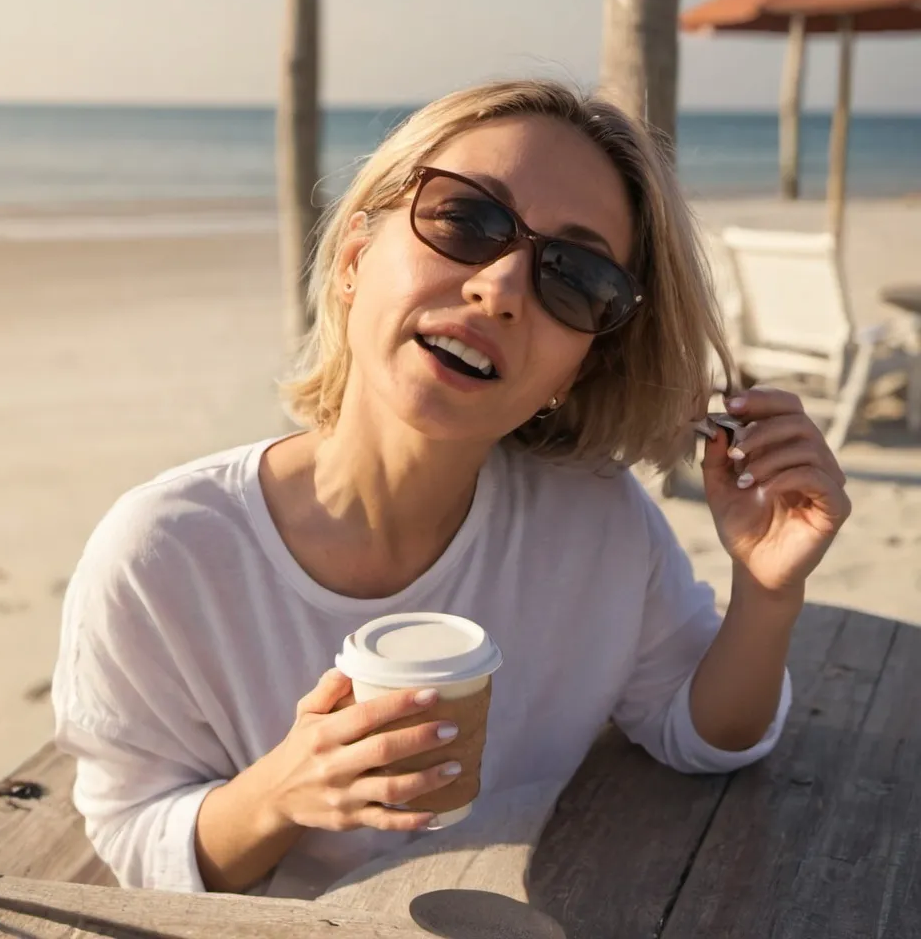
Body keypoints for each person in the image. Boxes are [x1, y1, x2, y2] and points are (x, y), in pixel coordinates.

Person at [51, 79, 851, 899]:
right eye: (467, 221)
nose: (500, 290)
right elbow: (136, 842)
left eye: (573, 278)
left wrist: (767, 587)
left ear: (577, 366)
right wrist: (283, 791)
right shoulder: (167, 553)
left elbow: (702, 734)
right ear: (356, 259)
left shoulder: (595, 526)